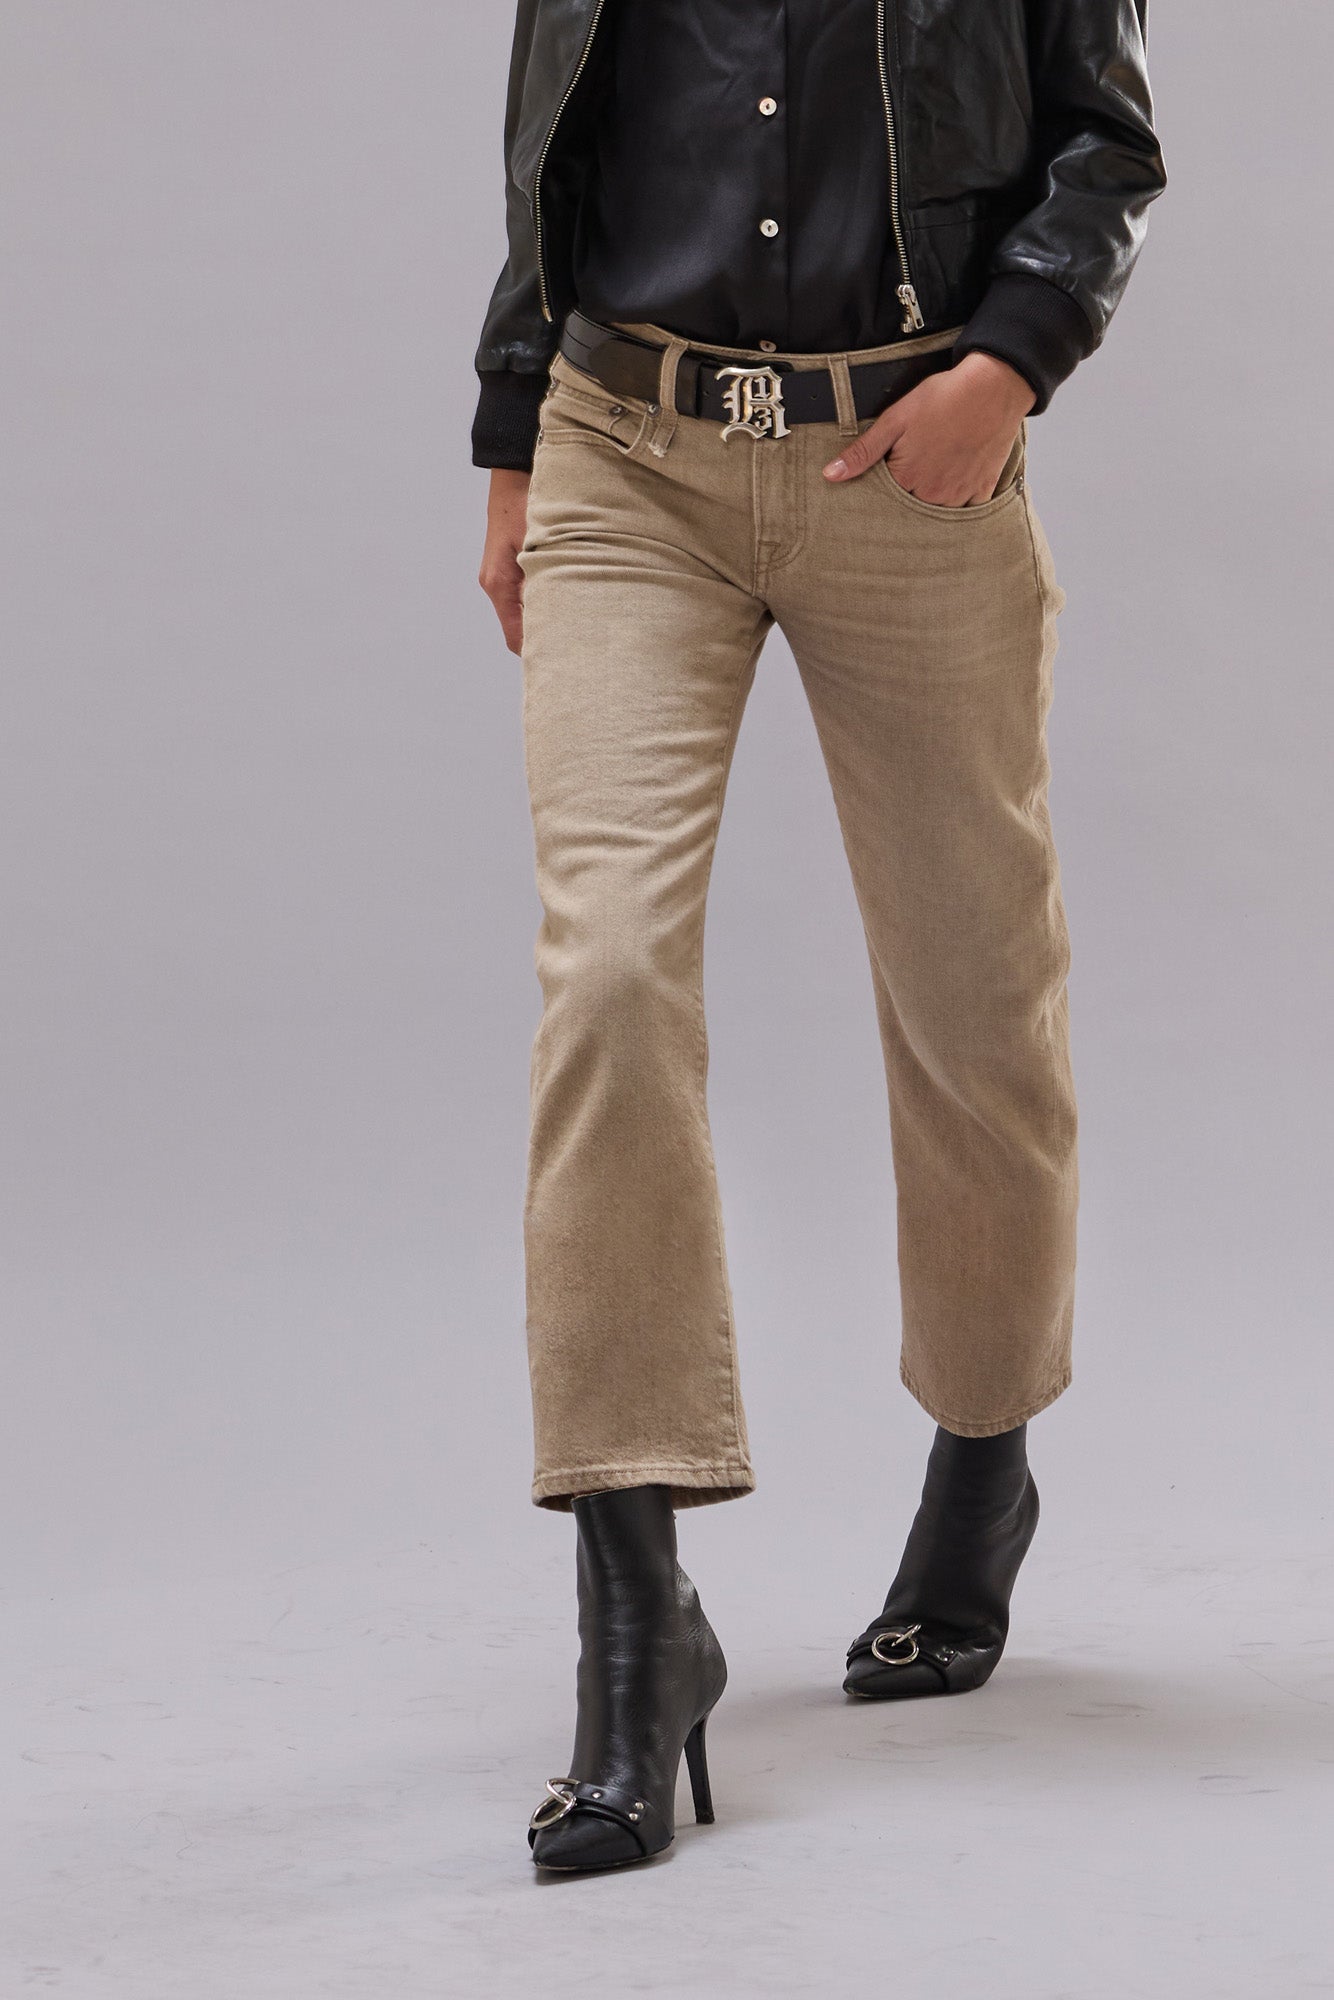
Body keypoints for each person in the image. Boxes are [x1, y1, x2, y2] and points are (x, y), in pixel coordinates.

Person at [472, 0, 1166, 1874]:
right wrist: (512, 431)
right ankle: (637, 1621)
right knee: (608, 978)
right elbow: (552, 149)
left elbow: (1105, 142)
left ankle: (982, 1459)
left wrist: (1007, 363)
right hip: (627, 453)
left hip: (909, 467)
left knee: (974, 994)